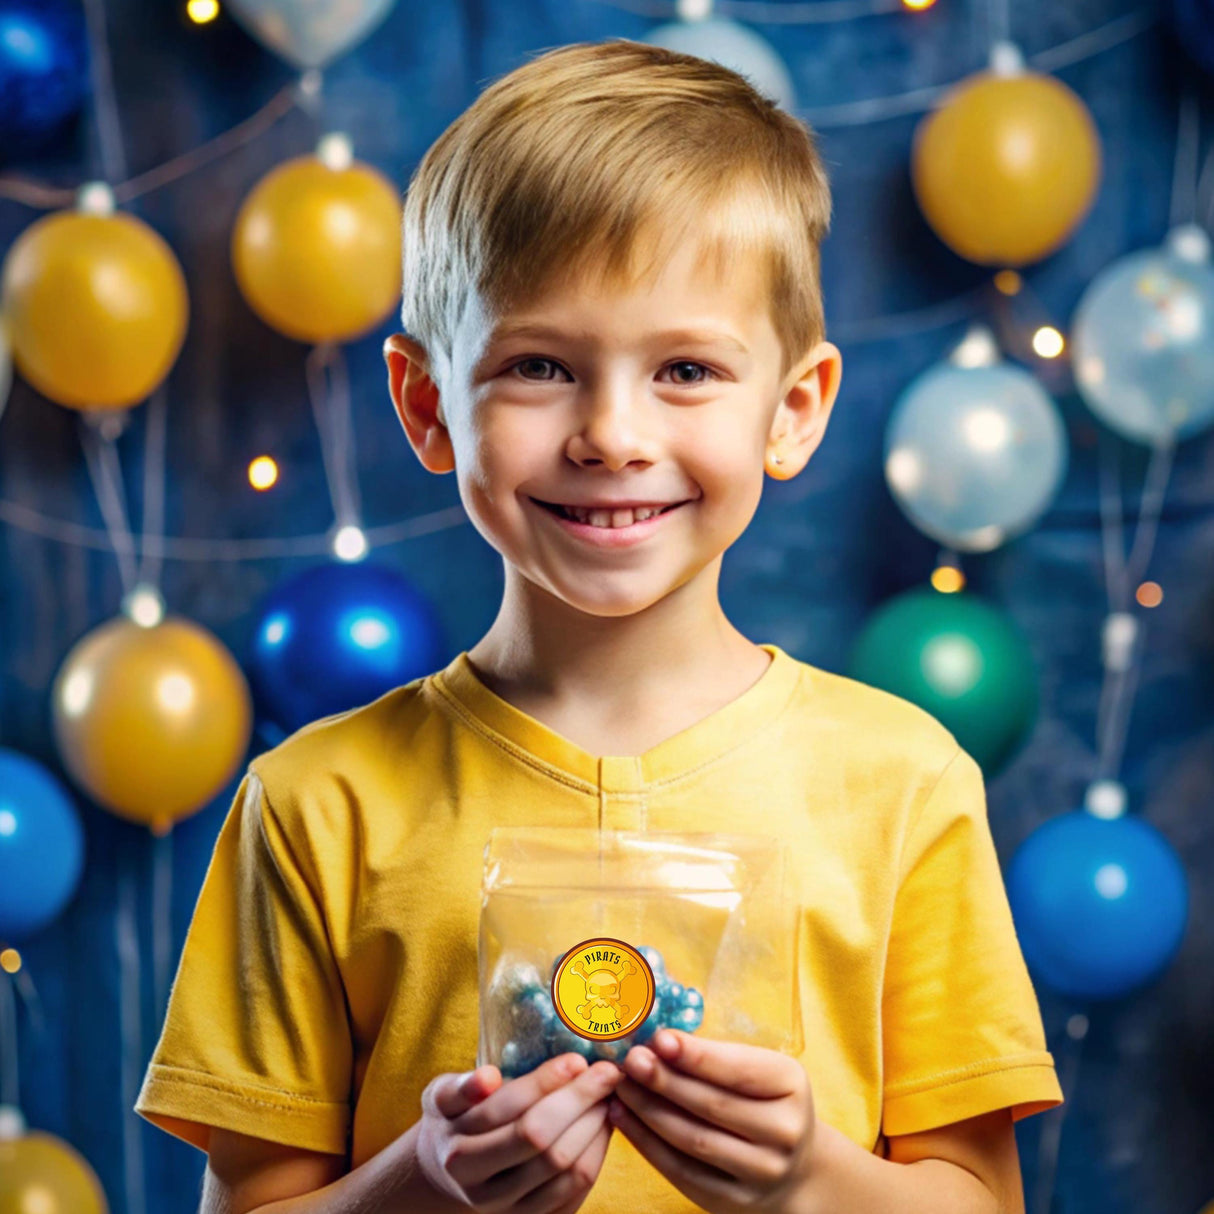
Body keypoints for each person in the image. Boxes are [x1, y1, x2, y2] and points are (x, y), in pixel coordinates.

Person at [135, 37, 1063, 1214]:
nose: (611, 434)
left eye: (682, 368)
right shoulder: (316, 802)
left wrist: (808, 1177)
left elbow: (981, 1201)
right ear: (427, 406)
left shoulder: (901, 784)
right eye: (537, 365)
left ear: (792, 410)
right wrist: (419, 1182)